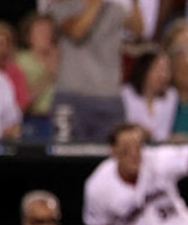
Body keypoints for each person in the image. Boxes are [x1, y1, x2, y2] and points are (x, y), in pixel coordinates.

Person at [50, 0, 143, 141]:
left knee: (110, 156)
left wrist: (134, 3)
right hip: (72, 97)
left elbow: (138, 30)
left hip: (109, 98)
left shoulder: (114, 8)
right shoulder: (63, 5)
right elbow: (77, 31)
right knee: (66, 156)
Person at [14, 13, 59, 139]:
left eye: (49, 31)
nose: (47, 35)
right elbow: (22, 102)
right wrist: (49, 74)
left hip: (61, 120)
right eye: (40, 31)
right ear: (28, 36)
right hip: (33, 120)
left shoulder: (64, 59)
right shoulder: (20, 61)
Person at [123, 50, 178, 143]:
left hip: (160, 149)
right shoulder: (126, 93)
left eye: (166, 70)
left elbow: (163, 133)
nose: (163, 75)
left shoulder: (171, 96)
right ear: (144, 70)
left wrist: (149, 134)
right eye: (159, 70)